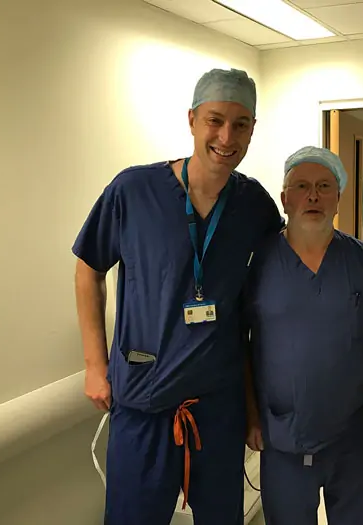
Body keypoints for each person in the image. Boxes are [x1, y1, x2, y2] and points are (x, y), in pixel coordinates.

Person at [72, 68, 283, 525]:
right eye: (215, 120)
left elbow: (283, 275)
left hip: (217, 405)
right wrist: (93, 365)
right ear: (192, 120)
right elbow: (89, 269)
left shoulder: (253, 205)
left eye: (240, 124)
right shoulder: (133, 191)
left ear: (252, 130)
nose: (226, 137)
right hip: (144, 400)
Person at [244, 146, 363, 525]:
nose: (312, 196)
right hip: (283, 437)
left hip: (354, 439)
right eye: (301, 186)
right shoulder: (256, 263)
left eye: (324, 186)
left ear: (338, 198)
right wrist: (250, 415)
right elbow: (241, 346)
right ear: (284, 199)